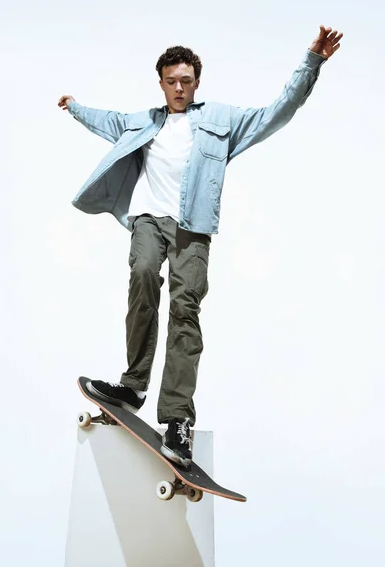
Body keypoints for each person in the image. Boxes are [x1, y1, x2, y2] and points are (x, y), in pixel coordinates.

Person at [58, 25, 342, 467]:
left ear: (197, 83)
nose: (178, 89)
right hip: (150, 220)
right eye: (171, 81)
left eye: (186, 82)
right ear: (161, 82)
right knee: (142, 278)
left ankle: (175, 419)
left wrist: (313, 62)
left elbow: (277, 112)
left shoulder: (221, 122)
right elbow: (105, 120)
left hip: (193, 227)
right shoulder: (142, 122)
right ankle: (133, 385)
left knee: (185, 312)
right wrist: (74, 107)